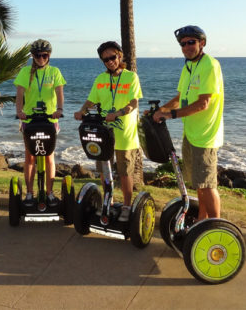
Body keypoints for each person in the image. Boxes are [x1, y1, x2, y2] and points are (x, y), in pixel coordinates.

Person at [152, 25, 224, 220]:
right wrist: (161, 110)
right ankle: (202, 220)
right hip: (191, 134)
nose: (186, 47)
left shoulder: (209, 64)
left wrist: (171, 115)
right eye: (183, 44)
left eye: (191, 42)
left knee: (208, 185)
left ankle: (216, 226)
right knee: (198, 184)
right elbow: (180, 97)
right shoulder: (189, 66)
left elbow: (203, 103)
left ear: (202, 43)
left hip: (205, 136)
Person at [74, 41, 142, 222]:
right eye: (105, 60)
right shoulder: (100, 79)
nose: (110, 62)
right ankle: (108, 201)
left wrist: (119, 113)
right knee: (104, 168)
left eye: (112, 57)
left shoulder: (131, 77)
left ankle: (127, 205)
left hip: (124, 135)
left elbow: (133, 103)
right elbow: (91, 101)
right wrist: (82, 111)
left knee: (125, 172)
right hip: (103, 134)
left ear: (120, 56)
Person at [14, 39, 66, 207]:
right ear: (33, 56)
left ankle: (50, 193)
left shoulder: (55, 72)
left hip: (50, 119)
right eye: (37, 55)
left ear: (49, 55)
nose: (41, 58)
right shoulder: (25, 72)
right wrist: (19, 112)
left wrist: (59, 109)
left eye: (44, 55)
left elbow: (59, 93)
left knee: (49, 156)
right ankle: (29, 193)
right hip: (29, 119)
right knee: (30, 156)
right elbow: (19, 94)